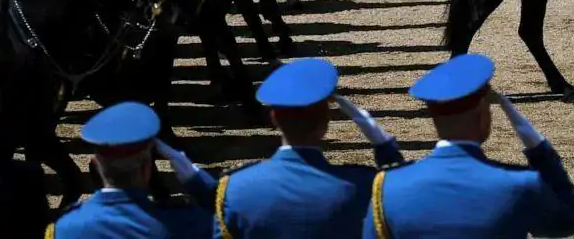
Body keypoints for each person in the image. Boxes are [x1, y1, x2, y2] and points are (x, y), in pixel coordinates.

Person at [162, 58, 404, 238]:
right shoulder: (364, 185)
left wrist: (192, 177)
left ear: (274, 117)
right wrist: (381, 143)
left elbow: (214, 204)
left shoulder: (234, 189)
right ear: (326, 120)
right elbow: (400, 189)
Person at [363, 53, 574, 238]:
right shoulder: (520, 184)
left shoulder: (388, 187)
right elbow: (568, 222)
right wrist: (541, 153)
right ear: (482, 113)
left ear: (432, 115)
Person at [46, 102, 211, 238]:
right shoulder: (185, 224)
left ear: (95, 166)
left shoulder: (64, 229)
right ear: (147, 168)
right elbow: (229, 217)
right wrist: (195, 180)